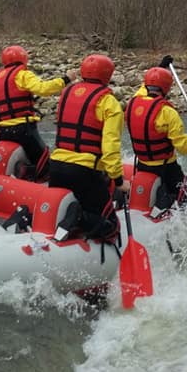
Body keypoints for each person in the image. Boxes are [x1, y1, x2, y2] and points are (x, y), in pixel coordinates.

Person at [49, 53, 129, 242]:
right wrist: (118, 182)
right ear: (107, 75)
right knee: (111, 227)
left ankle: (69, 222)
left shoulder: (66, 93)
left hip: (56, 167)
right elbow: (110, 148)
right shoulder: (109, 103)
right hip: (84, 172)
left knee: (64, 210)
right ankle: (79, 217)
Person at [125, 55, 187, 217]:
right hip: (167, 169)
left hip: (142, 165)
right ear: (167, 88)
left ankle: (157, 204)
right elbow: (184, 147)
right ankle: (181, 218)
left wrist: (160, 68)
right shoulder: (168, 113)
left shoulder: (133, 102)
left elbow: (145, 87)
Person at [0, 45, 74, 181]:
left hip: (3, 131)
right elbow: (43, 88)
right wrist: (65, 79)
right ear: (23, 58)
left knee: (30, 156)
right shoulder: (22, 74)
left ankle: (21, 174)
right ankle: (28, 174)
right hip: (23, 129)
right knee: (44, 160)